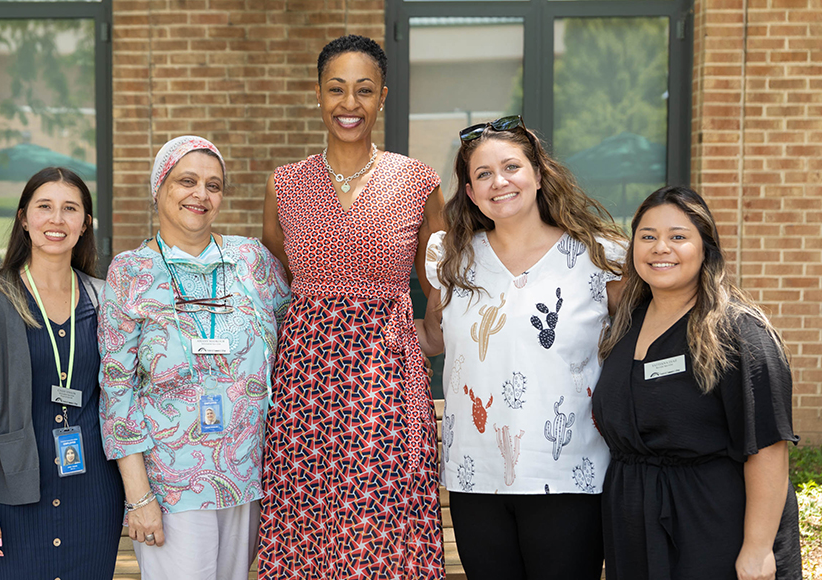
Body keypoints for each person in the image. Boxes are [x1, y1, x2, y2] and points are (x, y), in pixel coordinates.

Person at [258, 35, 447, 578]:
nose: (349, 104)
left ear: (382, 97)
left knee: (388, 517)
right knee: (305, 520)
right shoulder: (285, 182)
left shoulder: (416, 180)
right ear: (317, 95)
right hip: (307, 378)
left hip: (388, 375)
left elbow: (437, 278)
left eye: (364, 90)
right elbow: (278, 268)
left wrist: (423, 337)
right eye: (337, 89)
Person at [421, 115, 627, 580]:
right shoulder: (451, 256)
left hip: (572, 476)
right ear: (471, 193)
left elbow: (648, 333)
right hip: (475, 476)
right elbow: (432, 338)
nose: (500, 182)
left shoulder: (599, 256)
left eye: (511, 167)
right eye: (483, 174)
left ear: (537, 173)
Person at [99, 136, 290, 580]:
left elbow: (302, 332)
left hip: (248, 477)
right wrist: (139, 496)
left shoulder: (252, 261)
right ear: (160, 188)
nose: (200, 195)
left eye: (213, 185)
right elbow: (117, 390)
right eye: (187, 181)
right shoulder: (130, 272)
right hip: (171, 485)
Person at [592, 185, 801, 580]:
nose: (660, 248)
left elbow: (769, 447)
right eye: (648, 236)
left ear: (706, 247)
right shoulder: (625, 324)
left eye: (678, 237)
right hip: (635, 524)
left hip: (712, 523)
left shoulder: (738, 332)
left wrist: (757, 550)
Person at [0, 167, 124, 579]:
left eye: (70, 209)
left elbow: (122, 397)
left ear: (85, 224)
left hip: (94, 490)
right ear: (23, 218)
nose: (56, 220)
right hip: (16, 492)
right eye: (44, 207)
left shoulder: (105, 300)